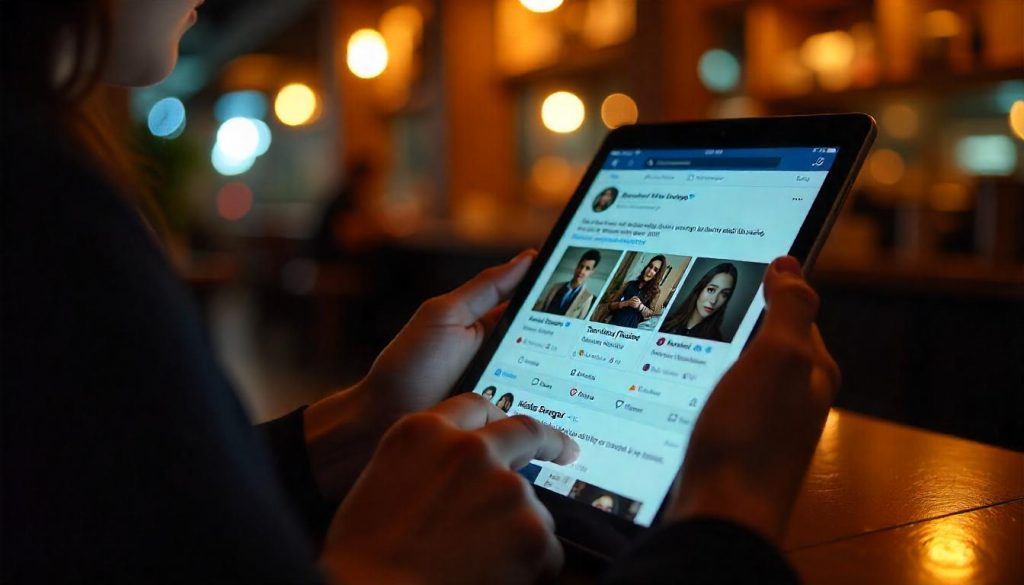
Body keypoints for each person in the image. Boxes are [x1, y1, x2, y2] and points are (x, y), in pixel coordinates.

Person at [2, 2, 840, 583]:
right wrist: (730, 504)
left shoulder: (46, 180)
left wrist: (364, 421)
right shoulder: (43, 208)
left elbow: (124, 519)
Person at [662, 263, 737, 341]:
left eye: (724, 294)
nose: (713, 301)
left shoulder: (716, 340)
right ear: (700, 288)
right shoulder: (666, 323)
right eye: (711, 290)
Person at [534, 249, 601, 319]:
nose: (581, 271)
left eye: (587, 268)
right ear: (577, 266)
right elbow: (540, 308)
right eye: (581, 266)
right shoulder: (556, 287)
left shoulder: (588, 297)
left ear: (592, 271)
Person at [604, 255, 666, 328]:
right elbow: (610, 306)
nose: (650, 271)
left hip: (629, 331)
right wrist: (626, 303)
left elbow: (651, 316)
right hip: (612, 325)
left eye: (655, 270)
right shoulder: (629, 284)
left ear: (658, 275)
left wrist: (640, 306)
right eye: (650, 266)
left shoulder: (655, 292)